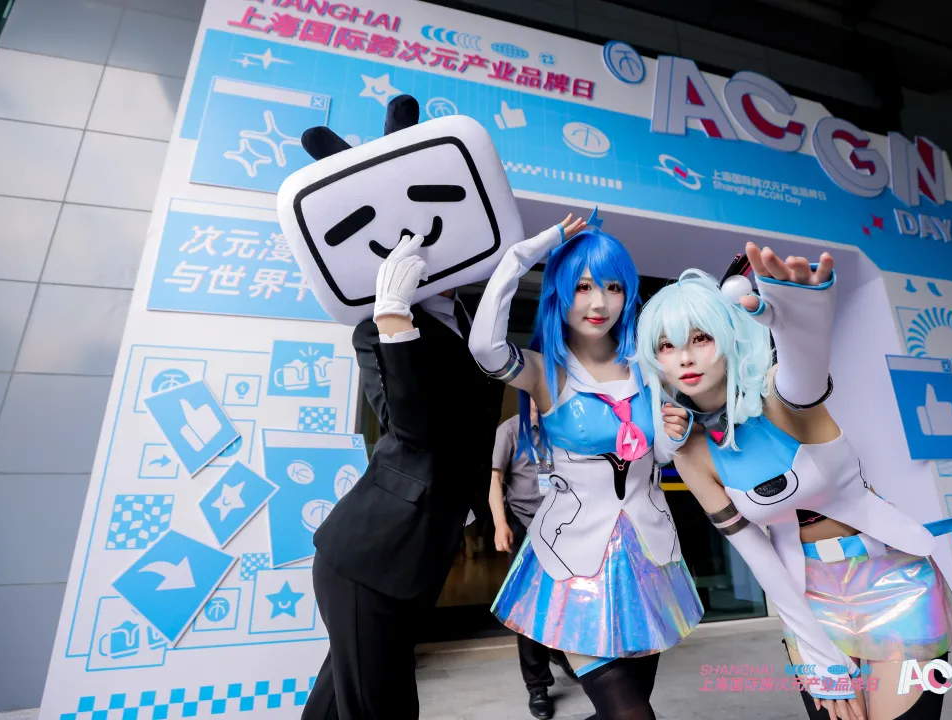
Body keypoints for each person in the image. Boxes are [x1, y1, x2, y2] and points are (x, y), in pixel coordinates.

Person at [636, 245, 952, 720]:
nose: (685, 357)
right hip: (808, 597)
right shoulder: (692, 452)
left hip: (892, 578)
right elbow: (760, 558)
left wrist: (803, 322)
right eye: (666, 346)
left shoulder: (777, 394)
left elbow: (804, 376)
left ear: (728, 335)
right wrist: (817, 652)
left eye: (700, 338)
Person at [291, 97, 506, 720]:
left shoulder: (466, 312)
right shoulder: (375, 331)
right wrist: (393, 319)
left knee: (338, 702)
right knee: (381, 709)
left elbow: (475, 419)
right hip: (371, 558)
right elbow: (413, 431)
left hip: (413, 558)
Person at [470, 209, 703, 720]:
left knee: (627, 708)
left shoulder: (648, 366)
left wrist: (677, 433)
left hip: (648, 559)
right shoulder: (543, 372)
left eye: (613, 287)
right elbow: (485, 348)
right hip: (573, 562)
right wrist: (524, 255)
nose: (600, 303)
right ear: (558, 291)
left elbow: (661, 457)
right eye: (583, 287)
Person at [490, 402, 579, 718]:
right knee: (528, 609)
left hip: (563, 526)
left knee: (566, 600)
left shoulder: (564, 427)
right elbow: (494, 479)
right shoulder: (510, 431)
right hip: (524, 524)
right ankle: (537, 687)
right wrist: (500, 524)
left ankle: (559, 650)